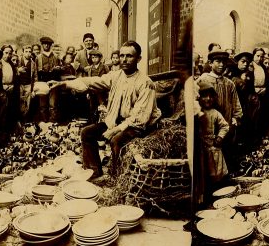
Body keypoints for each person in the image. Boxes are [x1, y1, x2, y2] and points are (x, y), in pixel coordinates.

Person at [49, 41, 162, 179]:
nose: (124, 60)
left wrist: (114, 130)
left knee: (116, 140)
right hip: (116, 121)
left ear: (138, 59)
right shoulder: (116, 75)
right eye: (122, 56)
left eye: (129, 56)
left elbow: (140, 117)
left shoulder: (145, 83)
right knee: (87, 132)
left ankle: (116, 178)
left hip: (138, 126)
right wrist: (64, 84)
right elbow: (92, 81)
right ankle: (94, 172)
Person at [196, 51, 243, 170]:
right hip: (207, 124)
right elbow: (194, 99)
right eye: (218, 62)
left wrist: (236, 118)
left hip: (225, 123)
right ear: (210, 64)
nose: (221, 65)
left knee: (225, 151)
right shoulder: (202, 80)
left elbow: (236, 103)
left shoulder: (229, 83)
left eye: (223, 62)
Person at [197, 82, 230, 199]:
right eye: (204, 96)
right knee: (202, 172)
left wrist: (220, 137)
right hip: (200, 147)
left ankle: (216, 194)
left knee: (215, 172)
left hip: (212, 146)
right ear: (198, 97)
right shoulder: (196, 112)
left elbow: (225, 126)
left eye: (210, 96)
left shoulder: (215, 113)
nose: (208, 99)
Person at [36, 36, 62, 122]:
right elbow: (35, 72)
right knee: (42, 104)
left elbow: (61, 69)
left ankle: (52, 122)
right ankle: (44, 122)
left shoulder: (55, 57)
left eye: (48, 44)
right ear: (42, 45)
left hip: (53, 82)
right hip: (42, 82)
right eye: (44, 44)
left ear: (50, 45)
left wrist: (57, 69)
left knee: (53, 104)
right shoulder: (38, 57)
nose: (46, 46)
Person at [17, 45, 38, 122]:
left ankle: (25, 122)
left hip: (28, 85)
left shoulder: (33, 63)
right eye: (26, 51)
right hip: (19, 85)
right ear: (23, 52)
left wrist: (33, 90)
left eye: (30, 52)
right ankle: (19, 122)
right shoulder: (18, 60)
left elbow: (35, 77)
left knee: (27, 104)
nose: (28, 53)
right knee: (19, 103)